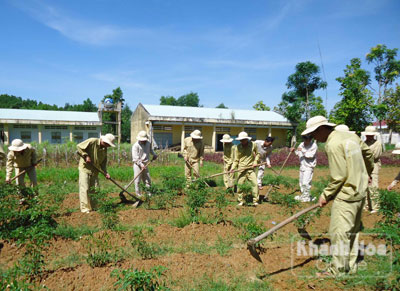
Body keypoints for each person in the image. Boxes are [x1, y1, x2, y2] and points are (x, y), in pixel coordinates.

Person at [302, 116, 373, 277]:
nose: (314, 138)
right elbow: (367, 154)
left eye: (314, 133)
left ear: (322, 128)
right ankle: (351, 266)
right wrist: (366, 173)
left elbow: (339, 176)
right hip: (360, 192)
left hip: (346, 195)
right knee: (353, 232)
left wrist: (325, 195)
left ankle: (338, 270)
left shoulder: (332, 144)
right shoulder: (351, 136)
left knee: (339, 233)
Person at [77, 133, 115, 213]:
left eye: (108, 145)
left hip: (95, 170)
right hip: (85, 168)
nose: (107, 146)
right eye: (107, 144)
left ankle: (94, 207)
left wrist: (105, 172)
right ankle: (85, 209)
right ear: (103, 140)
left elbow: (103, 163)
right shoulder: (92, 141)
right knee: (85, 188)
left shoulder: (104, 149)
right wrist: (86, 156)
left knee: (95, 189)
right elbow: (79, 146)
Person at [231, 132, 260, 206]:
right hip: (241, 169)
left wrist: (255, 161)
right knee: (240, 185)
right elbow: (236, 160)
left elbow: (258, 154)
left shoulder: (253, 144)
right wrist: (233, 168)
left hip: (250, 168)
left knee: (255, 184)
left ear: (247, 139)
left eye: (243, 140)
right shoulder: (237, 147)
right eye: (241, 140)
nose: (242, 141)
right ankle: (240, 200)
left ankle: (255, 201)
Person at [362, 126, 382, 213]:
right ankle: (366, 206)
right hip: (364, 166)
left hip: (374, 166)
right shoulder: (363, 143)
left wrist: (365, 157)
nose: (368, 136)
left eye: (370, 135)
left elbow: (375, 156)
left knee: (373, 186)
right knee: (364, 187)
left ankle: (375, 207)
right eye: (367, 135)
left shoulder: (377, 144)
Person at [291, 135, 317, 202]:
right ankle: (304, 195)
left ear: (310, 139)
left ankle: (306, 197)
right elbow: (298, 153)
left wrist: (302, 150)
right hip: (302, 165)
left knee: (306, 182)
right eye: (304, 140)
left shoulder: (314, 146)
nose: (305, 142)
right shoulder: (301, 144)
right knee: (301, 182)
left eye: (307, 140)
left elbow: (310, 155)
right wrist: (293, 151)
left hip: (309, 166)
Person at [132, 130, 157, 196]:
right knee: (137, 180)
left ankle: (148, 193)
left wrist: (154, 154)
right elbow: (135, 158)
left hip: (145, 164)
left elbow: (151, 150)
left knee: (147, 179)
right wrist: (141, 164)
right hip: (138, 165)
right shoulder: (135, 146)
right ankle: (138, 194)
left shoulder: (148, 143)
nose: (143, 141)